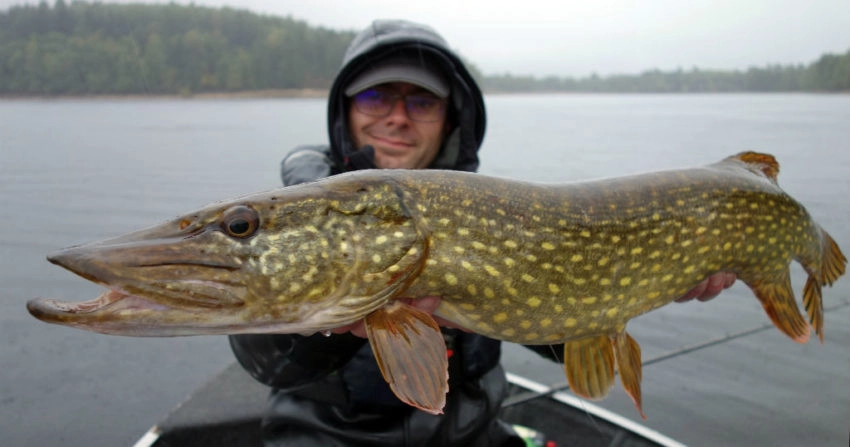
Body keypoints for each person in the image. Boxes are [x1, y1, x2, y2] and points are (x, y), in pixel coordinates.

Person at [230, 19, 736, 447]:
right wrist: (330, 323)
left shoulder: (486, 211)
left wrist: (640, 284)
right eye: (375, 95)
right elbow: (270, 365)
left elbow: (550, 312)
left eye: (422, 101)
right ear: (346, 110)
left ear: (452, 118)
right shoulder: (296, 214)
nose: (398, 117)